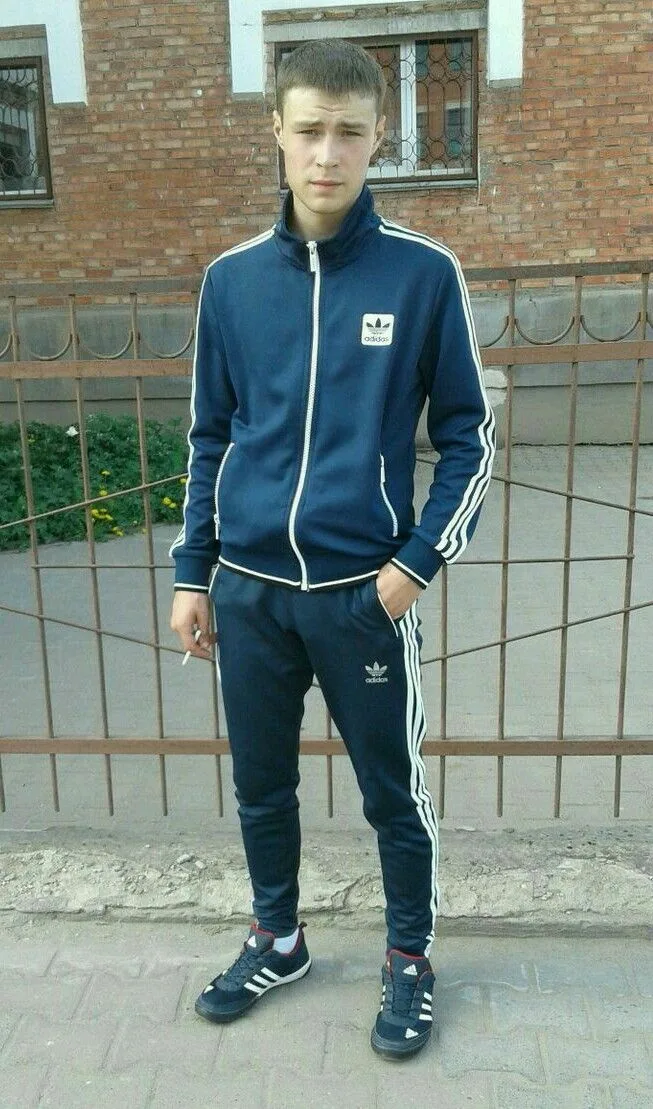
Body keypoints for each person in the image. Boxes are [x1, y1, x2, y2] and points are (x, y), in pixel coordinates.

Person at [170, 39, 495, 1060]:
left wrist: (413, 565)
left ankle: (408, 957)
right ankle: (278, 937)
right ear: (275, 130)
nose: (326, 153)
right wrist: (192, 571)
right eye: (307, 129)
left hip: (362, 596)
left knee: (392, 793)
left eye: (348, 133)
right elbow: (210, 435)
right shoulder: (230, 281)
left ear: (378, 139)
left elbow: (468, 436)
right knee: (260, 788)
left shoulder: (421, 273)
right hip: (249, 593)